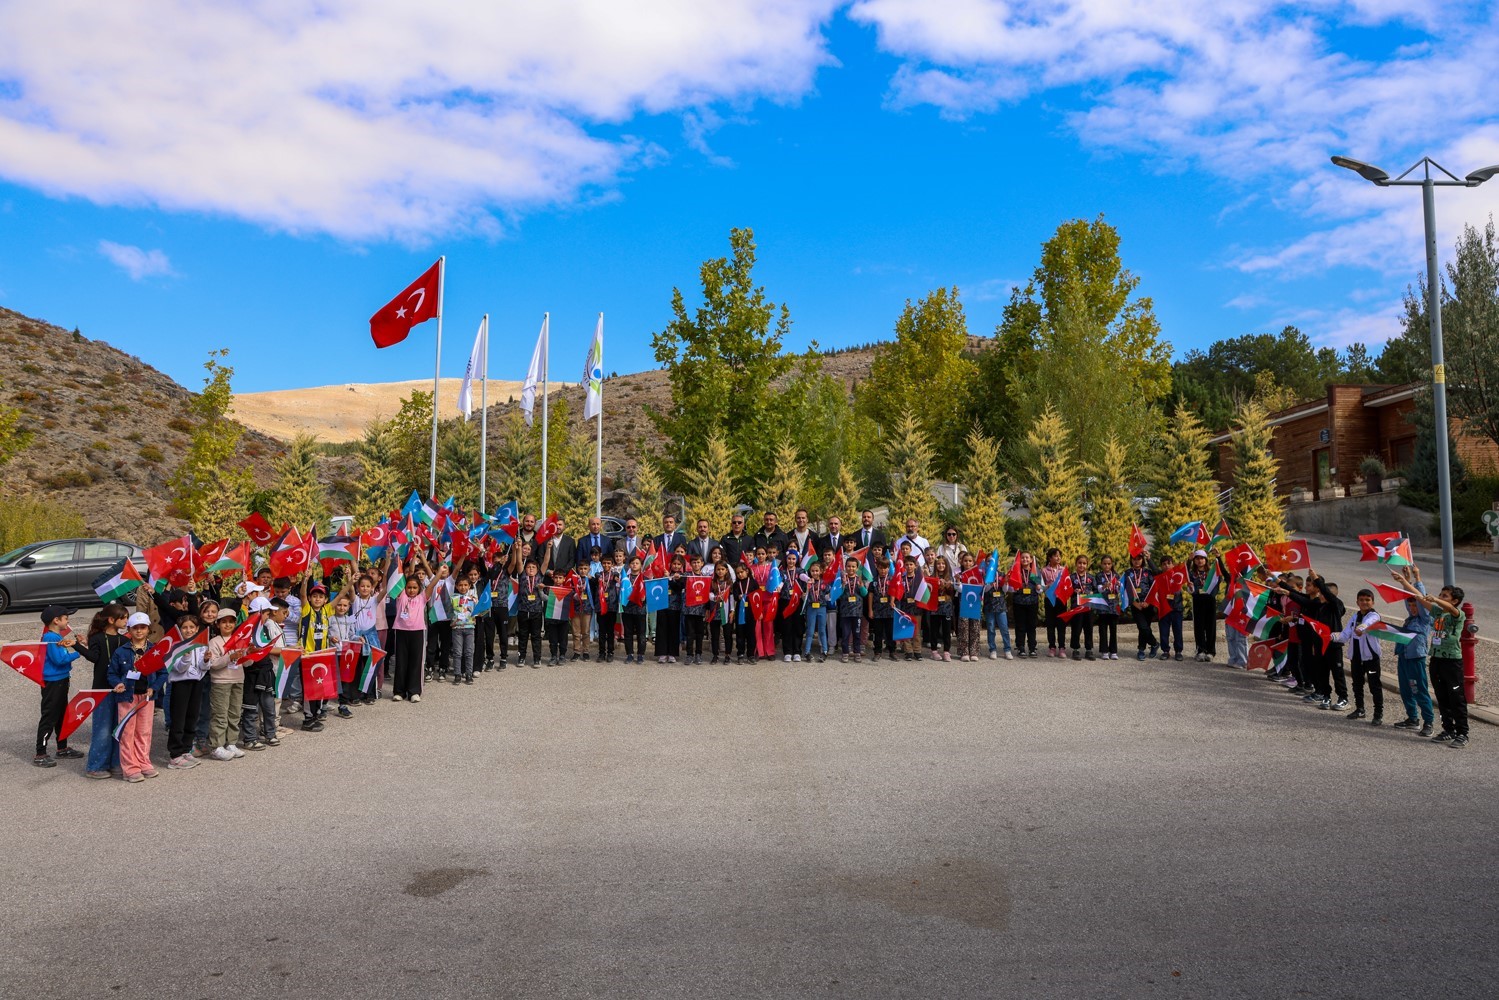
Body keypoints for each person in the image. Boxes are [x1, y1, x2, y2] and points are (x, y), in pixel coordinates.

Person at [107, 611, 161, 782]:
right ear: (129, 629)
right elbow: (112, 673)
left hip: (146, 697)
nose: (139, 631)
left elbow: (163, 673)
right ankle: (130, 768)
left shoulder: (154, 650)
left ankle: (144, 762)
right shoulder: (121, 652)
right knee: (127, 732)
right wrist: (117, 684)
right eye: (135, 628)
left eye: (143, 627)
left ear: (148, 629)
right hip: (127, 698)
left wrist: (154, 687)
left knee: (144, 732)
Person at [1415, 583, 1469, 747]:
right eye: (1440, 594)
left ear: (1455, 601)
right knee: (1442, 697)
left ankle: (1462, 733)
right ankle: (1448, 730)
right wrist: (1405, 581)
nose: (1440, 597)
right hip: (1436, 660)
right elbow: (1419, 596)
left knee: (1456, 698)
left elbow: (1451, 609)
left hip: (1452, 662)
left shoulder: (1457, 614)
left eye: (1445, 596)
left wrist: (1437, 599)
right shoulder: (1438, 612)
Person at [81, 603, 130, 778]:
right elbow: (94, 657)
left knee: (119, 727)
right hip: (102, 688)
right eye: (123, 618)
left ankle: (115, 762)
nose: (126, 621)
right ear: (111, 620)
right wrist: (77, 646)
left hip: (120, 688)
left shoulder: (125, 640)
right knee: (102, 728)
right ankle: (95, 766)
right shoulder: (97, 638)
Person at [34, 604, 82, 768]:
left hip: (61, 679)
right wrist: (79, 651)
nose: (67, 621)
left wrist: (74, 644)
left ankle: (62, 748)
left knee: (62, 714)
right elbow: (59, 660)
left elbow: (62, 654)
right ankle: (40, 753)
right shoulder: (51, 638)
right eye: (66, 618)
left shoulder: (55, 637)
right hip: (53, 682)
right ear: (56, 620)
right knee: (50, 715)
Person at [1390, 566, 1435, 735]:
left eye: (1415, 606)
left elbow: (1419, 598)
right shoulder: (1411, 618)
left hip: (1416, 658)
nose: (1413, 608)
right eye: (1410, 606)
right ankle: (1412, 718)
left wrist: (1417, 577)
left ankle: (1428, 722)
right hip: (1404, 656)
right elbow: (1409, 598)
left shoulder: (1425, 619)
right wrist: (1405, 581)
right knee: (1405, 689)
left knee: (1419, 690)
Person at [239, 597, 283, 749]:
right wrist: (249, 652)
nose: (268, 617)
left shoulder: (264, 629)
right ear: (258, 613)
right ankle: (249, 738)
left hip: (266, 672)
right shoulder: (245, 629)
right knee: (251, 708)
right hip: (251, 673)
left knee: (269, 707)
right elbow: (242, 653)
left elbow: (269, 648)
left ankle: (270, 734)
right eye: (266, 613)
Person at [205, 608, 249, 757]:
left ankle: (231, 743)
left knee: (235, 713)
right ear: (217, 624)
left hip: (238, 679)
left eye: (231, 622)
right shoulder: (214, 642)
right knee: (220, 714)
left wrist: (249, 654)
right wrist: (230, 657)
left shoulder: (240, 640)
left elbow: (247, 664)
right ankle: (216, 745)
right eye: (224, 622)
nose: (227, 625)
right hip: (221, 682)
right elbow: (214, 664)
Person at [165, 615, 207, 769]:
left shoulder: (201, 644)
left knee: (192, 716)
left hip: (197, 682)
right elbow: (179, 668)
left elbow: (203, 667)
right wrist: (186, 656)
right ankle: (175, 755)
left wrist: (207, 660)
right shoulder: (175, 645)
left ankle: (186, 749)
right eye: (185, 627)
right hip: (181, 683)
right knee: (178, 718)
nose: (188, 630)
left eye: (192, 627)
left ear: (197, 629)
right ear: (179, 629)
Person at [392, 557, 439, 697]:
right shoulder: (401, 596)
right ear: (404, 587)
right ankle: (399, 691)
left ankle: (414, 691)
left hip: (417, 632)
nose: (411, 590)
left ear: (419, 589)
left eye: (414, 588)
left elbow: (431, 585)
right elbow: (410, 572)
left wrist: (439, 572)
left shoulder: (422, 597)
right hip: (401, 631)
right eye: (409, 587)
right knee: (401, 662)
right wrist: (412, 558)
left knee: (415, 662)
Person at [1340, 588, 1384, 724]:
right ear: (1357, 602)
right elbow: (1345, 634)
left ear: (1373, 602)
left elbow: (1369, 623)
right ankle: (1360, 709)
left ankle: (1378, 714)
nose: (1364, 602)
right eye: (1361, 600)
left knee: (1374, 685)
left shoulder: (1374, 616)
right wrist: (1331, 636)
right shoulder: (1355, 616)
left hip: (1371, 658)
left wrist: (1361, 628)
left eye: (1367, 600)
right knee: (1357, 683)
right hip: (1356, 656)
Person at [1122, 552, 1159, 660]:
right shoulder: (1127, 573)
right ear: (1131, 560)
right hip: (1136, 605)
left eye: (1139, 559)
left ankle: (1141, 650)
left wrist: (1148, 602)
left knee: (1145, 628)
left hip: (1148, 604)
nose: (1136, 561)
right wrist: (1134, 603)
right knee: (1142, 627)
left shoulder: (1148, 572)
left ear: (1142, 560)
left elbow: (1154, 587)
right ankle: (1155, 643)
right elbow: (1124, 590)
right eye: (1134, 559)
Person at [1187, 550, 1220, 662]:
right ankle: (1200, 650)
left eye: (1202, 558)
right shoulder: (1192, 574)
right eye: (1197, 558)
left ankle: (1211, 651)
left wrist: (1218, 557)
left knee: (1211, 627)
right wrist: (1188, 561)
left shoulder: (1212, 572)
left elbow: (1218, 582)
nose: (1199, 561)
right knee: (1199, 626)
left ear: (1206, 560)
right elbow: (1185, 578)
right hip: (1198, 601)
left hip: (1210, 601)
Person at [513, 556, 546, 668]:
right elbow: (518, 561)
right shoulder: (522, 576)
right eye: (528, 567)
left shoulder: (539, 577)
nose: (531, 569)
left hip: (536, 611)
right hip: (523, 611)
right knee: (523, 635)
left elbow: (546, 561)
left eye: (533, 567)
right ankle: (521, 657)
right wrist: (518, 549)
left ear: (537, 569)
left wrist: (548, 548)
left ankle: (537, 658)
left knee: (536, 636)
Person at [1009, 551, 1040, 658]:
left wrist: (1039, 588)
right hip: (1019, 602)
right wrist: (1013, 588)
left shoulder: (1034, 572)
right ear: (1019, 559)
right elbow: (1010, 587)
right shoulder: (1016, 571)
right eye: (1022, 558)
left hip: (1032, 602)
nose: (1025, 559)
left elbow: (1040, 588)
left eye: (1027, 558)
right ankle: (1020, 647)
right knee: (1020, 626)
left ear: (1031, 560)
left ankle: (1032, 648)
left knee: (1032, 626)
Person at [449, 573, 478, 684]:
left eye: (466, 585)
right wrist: (451, 622)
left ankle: (469, 674)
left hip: (470, 627)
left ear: (469, 585)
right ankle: (457, 674)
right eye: (460, 585)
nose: (463, 587)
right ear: (456, 586)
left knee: (469, 652)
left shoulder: (473, 599)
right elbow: (448, 612)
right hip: (457, 628)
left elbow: (479, 612)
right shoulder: (453, 598)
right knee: (457, 652)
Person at [656, 554, 686, 664]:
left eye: (679, 564)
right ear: (670, 564)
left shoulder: (683, 576)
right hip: (662, 604)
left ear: (682, 565)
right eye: (674, 564)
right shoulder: (663, 574)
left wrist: (671, 579)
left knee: (674, 630)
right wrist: (664, 577)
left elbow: (678, 588)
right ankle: (662, 653)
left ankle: (672, 653)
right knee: (662, 629)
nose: (676, 566)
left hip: (675, 606)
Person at [1155, 555, 1185, 661]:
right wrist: (1148, 559)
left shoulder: (1178, 574)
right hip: (1164, 608)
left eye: (1169, 563)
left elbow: (1187, 568)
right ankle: (1165, 651)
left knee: (1178, 630)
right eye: (1164, 564)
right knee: (1164, 631)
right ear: (1161, 566)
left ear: (1173, 564)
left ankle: (1178, 651)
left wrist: (1190, 559)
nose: (1166, 566)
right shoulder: (1160, 575)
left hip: (1177, 608)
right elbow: (1153, 568)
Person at [681, 552, 709, 665]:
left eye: (698, 562)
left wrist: (707, 609)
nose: (696, 564)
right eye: (694, 562)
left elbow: (707, 594)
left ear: (702, 563)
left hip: (701, 609)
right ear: (690, 564)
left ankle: (698, 654)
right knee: (689, 633)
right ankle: (689, 654)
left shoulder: (706, 577)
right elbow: (678, 584)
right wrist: (676, 578)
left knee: (699, 633)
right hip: (689, 609)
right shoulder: (686, 576)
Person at [928, 555, 956, 662]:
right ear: (935, 565)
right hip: (934, 607)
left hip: (947, 607)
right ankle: (934, 651)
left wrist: (949, 586)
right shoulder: (931, 577)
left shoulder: (950, 577)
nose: (941, 565)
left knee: (946, 630)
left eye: (943, 564)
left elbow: (953, 594)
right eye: (938, 563)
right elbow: (928, 592)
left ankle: (946, 652)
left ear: (946, 565)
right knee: (934, 630)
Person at [1067, 554, 1095, 661]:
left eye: (1084, 563)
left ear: (1087, 565)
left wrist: (1092, 592)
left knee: (1088, 629)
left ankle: (1089, 649)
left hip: (1088, 607)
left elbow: (1097, 590)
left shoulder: (1091, 578)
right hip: (1076, 607)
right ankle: (1075, 649)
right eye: (1079, 563)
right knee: (1076, 628)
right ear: (1076, 564)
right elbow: (1067, 591)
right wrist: (1073, 591)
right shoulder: (1071, 577)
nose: (1081, 565)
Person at [1093, 554, 1121, 661]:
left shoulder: (1116, 575)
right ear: (1101, 564)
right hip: (1103, 606)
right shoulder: (1099, 576)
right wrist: (1105, 586)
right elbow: (1098, 589)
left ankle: (1113, 651)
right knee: (1103, 629)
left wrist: (1118, 585)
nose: (1107, 566)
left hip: (1114, 606)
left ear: (1112, 564)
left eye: (1109, 564)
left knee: (1113, 630)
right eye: (1104, 564)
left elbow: (1118, 591)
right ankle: (1104, 651)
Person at [620, 554, 647, 663]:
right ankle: (629, 654)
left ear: (641, 565)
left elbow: (649, 593)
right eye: (632, 563)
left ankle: (640, 654)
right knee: (628, 632)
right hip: (627, 608)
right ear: (629, 565)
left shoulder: (645, 578)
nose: (634, 565)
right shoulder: (625, 577)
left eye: (637, 563)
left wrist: (645, 598)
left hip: (640, 608)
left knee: (641, 633)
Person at [1040, 548, 1067, 657]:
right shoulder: (1044, 571)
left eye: (1059, 556)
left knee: (1061, 625)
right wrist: (1048, 586)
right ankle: (1052, 647)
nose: (1058, 558)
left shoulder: (1063, 570)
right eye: (1055, 556)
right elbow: (1041, 588)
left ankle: (1062, 647)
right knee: (1050, 624)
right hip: (1050, 600)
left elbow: (1067, 584)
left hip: (1061, 600)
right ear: (1049, 558)